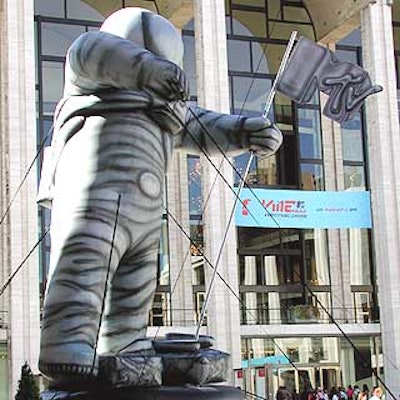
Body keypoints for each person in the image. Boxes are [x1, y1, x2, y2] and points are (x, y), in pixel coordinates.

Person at [37, 7, 282, 386]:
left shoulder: (167, 111)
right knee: (83, 263)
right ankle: (66, 341)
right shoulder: (88, 77)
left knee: (137, 281)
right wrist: (148, 69)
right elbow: (91, 51)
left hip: (146, 214)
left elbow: (202, 125)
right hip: (93, 198)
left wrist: (244, 131)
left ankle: (125, 344)